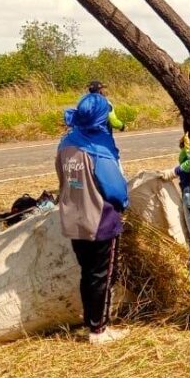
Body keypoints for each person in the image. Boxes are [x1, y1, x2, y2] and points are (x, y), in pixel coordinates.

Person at [56, 92, 130, 345]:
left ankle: (91, 321)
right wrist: (123, 205)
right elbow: (115, 189)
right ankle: (99, 330)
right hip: (99, 218)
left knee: (88, 273)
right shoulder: (99, 148)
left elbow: (62, 178)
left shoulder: (66, 143)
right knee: (103, 275)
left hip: (73, 216)